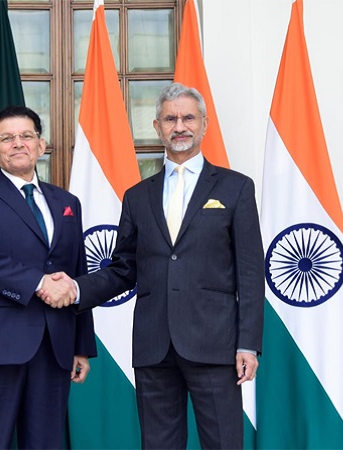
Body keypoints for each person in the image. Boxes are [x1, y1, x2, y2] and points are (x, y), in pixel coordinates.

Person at [41, 83, 264, 449]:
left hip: (216, 344)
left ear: (204, 124)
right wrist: (77, 288)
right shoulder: (137, 196)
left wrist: (248, 344)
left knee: (224, 443)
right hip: (153, 345)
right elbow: (123, 269)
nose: (180, 126)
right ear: (157, 126)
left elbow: (251, 273)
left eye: (188, 117)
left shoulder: (235, 188)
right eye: (170, 119)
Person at [0, 105, 97, 449]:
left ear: (40, 145)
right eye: (7, 138)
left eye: (26, 136)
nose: (18, 143)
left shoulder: (67, 202)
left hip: (53, 348)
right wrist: (39, 282)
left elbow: (78, 273)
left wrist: (81, 346)